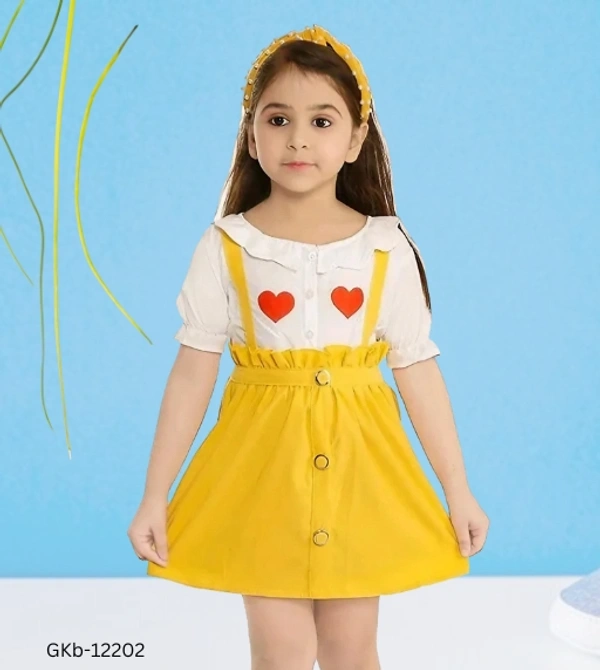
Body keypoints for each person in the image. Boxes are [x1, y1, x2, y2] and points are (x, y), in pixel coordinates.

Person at [128, 24, 489, 670]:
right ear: (251, 136)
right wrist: (156, 493)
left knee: (352, 648)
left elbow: (417, 369)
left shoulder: (385, 247)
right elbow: (191, 374)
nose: (298, 138)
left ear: (355, 139)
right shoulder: (226, 246)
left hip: (360, 477)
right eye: (278, 119)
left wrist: (457, 490)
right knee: (281, 651)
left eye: (322, 121)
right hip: (263, 479)